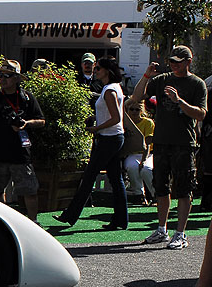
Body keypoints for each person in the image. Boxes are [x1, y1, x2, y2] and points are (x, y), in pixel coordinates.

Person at [130, 45, 209, 249]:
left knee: (183, 189)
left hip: (184, 143)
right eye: (171, 61)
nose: (173, 65)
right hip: (162, 142)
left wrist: (179, 101)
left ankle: (180, 233)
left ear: (188, 62)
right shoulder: (162, 79)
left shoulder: (197, 84)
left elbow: (201, 114)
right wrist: (146, 76)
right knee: (161, 187)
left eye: (178, 62)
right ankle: (161, 229)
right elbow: (137, 97)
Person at [55, 57, 128, 230]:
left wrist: (96, 128)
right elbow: (113, 115)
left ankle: (70, 215)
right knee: (116, 179)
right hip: (114, 137)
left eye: (98, 68)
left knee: (89, 177)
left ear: (107, 71)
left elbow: (116, 118)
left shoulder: (109, 90)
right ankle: (120, 220)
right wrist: (96, 119)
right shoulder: (114, 87)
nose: (95, 71)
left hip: (109, 138)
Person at [0, 60, 46, 221]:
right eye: (1, 75)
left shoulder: (27, 98)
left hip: (20, 154)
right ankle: (1, 222)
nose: (2, 79)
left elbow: (41, 121)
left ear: (16, 78)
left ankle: (34, 222)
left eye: (7, 76)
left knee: (30, 191)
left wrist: (26, 123)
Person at [123, 100, 155, 206]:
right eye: (131, 109)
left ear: (141, 111)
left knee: (146, 169)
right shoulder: (124, 123)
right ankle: (139, 195)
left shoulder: (148, 123)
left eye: (137, 109)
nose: (134, 112)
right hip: (132, 153)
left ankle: (155, 195)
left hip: (148, 153)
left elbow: (148, 143)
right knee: (132, 167)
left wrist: (144, 160)